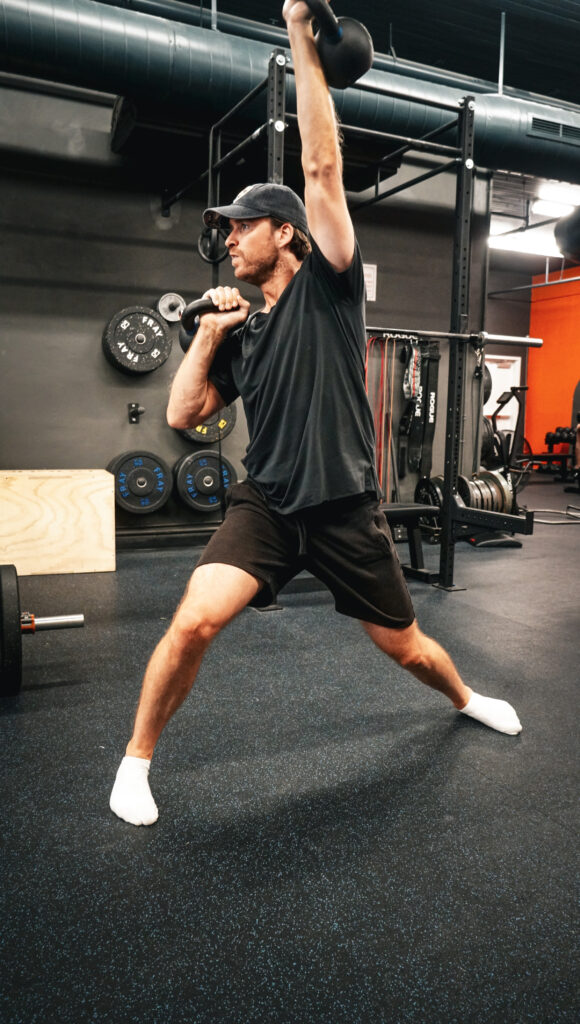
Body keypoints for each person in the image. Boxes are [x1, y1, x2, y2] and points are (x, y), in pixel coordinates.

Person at [110, 0, 522, 827]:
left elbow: (325, 169)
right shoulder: (243, 329)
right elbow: (188, 416)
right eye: (224, 230)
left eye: (240, 226)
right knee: (192, 624)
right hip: (266, 503)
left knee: (405, 648)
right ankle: (134, 763)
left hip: (342, 508)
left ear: (287, 234)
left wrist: (300, 36)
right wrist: (212, 334)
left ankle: (467, 696)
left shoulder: (330, 288)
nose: (228, 240)